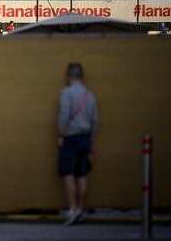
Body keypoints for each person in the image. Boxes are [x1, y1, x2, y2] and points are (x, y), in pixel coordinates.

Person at [57, 63, 99, 226]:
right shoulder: (90, 95)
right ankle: (81, 208)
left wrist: (61, 134)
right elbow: (96, 121)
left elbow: (64, 115)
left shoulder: (67, 93)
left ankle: (72, 208)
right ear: (82, 77)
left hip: (71, 137)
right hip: (86, 138)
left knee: (68, 173)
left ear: (68, 76)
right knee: (82, 174)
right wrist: (90, 139)